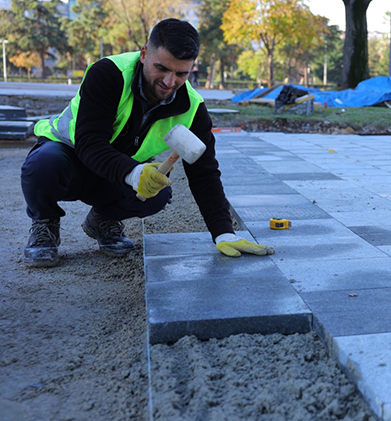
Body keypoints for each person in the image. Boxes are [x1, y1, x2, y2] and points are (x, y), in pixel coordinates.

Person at [20, 18, 273, 267]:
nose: (169, 82)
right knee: (43, 165)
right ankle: (45, 223)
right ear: (144, 54)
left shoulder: (193, 108)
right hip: (71, 156)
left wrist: (223, 232)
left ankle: (102, 220)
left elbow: (204, 172)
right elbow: (90, 143)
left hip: (115, 173)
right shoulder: (109, 74)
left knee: (157, 193)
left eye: (181, 73)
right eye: (161, 68)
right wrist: (133, 172)